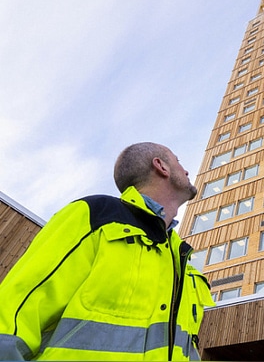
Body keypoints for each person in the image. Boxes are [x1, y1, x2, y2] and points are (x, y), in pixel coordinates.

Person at [0, 142, 215, 361]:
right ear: (161, 166)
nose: (186, 170)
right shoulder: (95, 216)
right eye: (178, 161)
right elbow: (13, 319)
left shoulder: (180, 258)